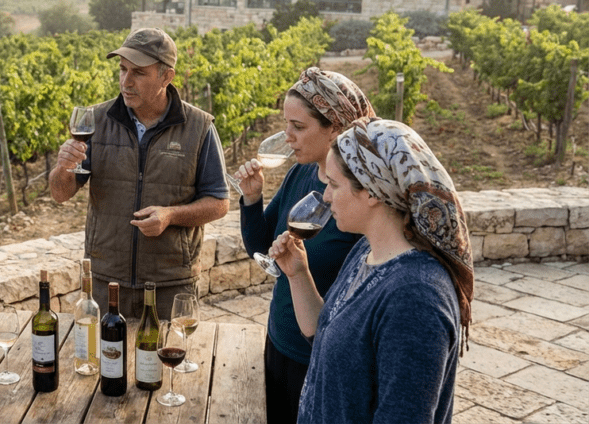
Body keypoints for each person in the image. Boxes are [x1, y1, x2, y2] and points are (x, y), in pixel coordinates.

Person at [272, 117, 472, 424]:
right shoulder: (367, 251)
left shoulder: (416, 299)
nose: (325, 196)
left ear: (372, 192)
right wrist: (298, 275)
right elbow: (323, 337)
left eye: (334, 185)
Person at [49, 27, 228, 319]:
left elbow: (220, 203)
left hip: (171, 285)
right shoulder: (96, 121)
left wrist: (170, 216)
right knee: (105, 363)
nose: (126, 81)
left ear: (166, 77)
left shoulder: (199, 127)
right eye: (122, 69)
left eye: (139, 73)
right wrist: (63, 168)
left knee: (163, 364)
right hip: (107, 282)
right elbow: (60, 193)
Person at [231, 67, 375, 424]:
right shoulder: (303, 173)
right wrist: (251, 199)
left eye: (298, 127)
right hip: (278, 340)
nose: (288, 136)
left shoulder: (361, 202)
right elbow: (262, 249)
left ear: (336, 129)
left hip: (316, 358)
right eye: (286, 124)